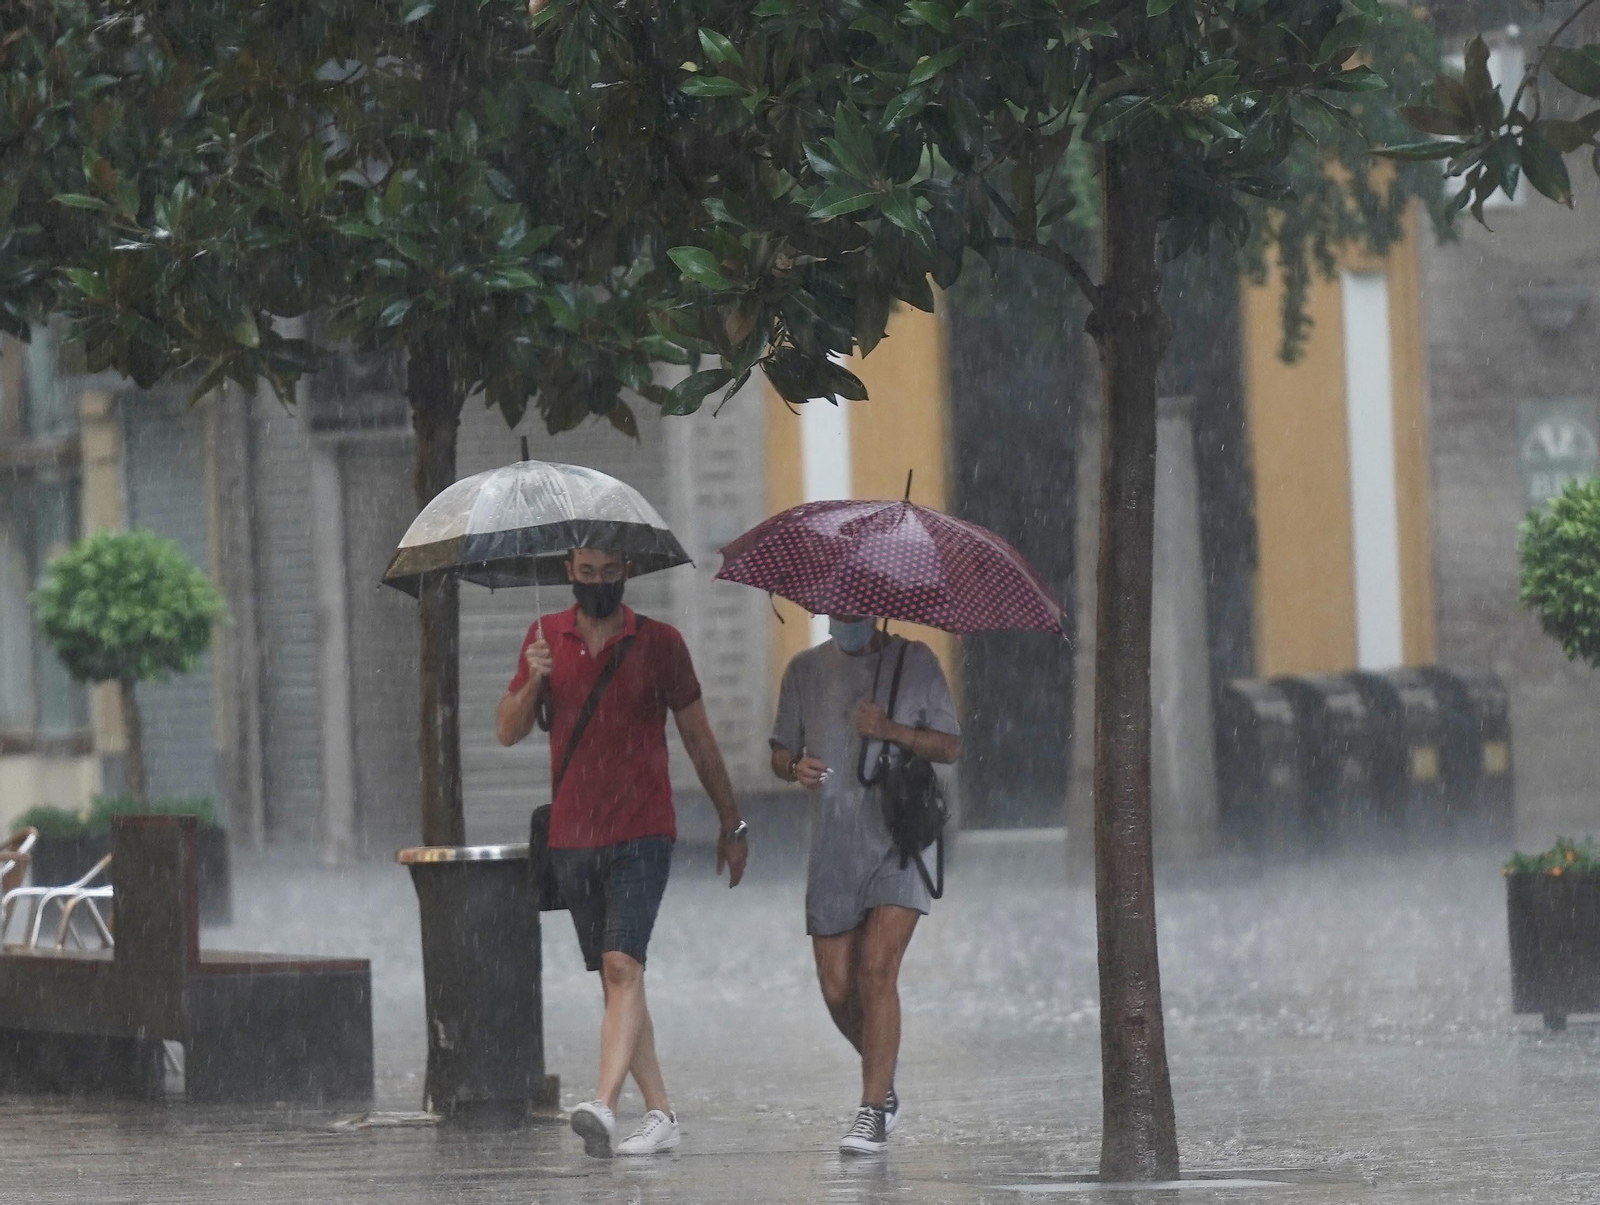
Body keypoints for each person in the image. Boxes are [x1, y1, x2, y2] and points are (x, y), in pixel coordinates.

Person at [497, 545, 748, 1159]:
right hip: (572, 838)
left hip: (642, 830)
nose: (599, 584)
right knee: (617, 984)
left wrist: (731, 821)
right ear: (568, 572)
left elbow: (698, 737)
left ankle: (603, 1106)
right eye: (587, 574)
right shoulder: (543, 638)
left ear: (628, 572)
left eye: (610, 573)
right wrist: (534, 680)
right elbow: (507, 730)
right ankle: (660, 1113)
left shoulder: (661, 644)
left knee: (621, 965)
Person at [768, 614, 961, 1155]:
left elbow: (950, 747)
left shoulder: (915, 661)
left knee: (878, 971)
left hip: (900, 843)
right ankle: (884, 1079)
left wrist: (892, 731)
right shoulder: (803, 670)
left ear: (874, 610)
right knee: (836, 988)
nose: (844, 620)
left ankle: (871, 1111)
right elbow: (780, 751)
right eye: (835, 611)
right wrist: (793, 766)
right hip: (833, 847)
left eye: (853, 610)